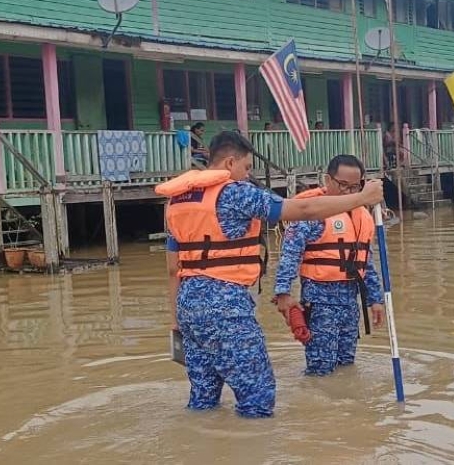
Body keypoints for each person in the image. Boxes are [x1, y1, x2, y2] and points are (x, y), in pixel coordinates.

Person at [155, 131, 384, 418]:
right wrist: (363, 197)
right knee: (258, 396)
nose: (247, 175)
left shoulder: (177, 202)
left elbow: (172, 268)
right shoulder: (235, 192)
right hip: (225, 307)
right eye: (247, 167)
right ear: (229, 162)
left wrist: (176, 320)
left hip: (188, 307)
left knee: (203, 397)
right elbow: (301, 209)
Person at [273, 155, 384, 376]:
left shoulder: (362, 216)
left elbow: (365, 261)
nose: (349, 193)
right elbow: (290, 254)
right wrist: (283, 292)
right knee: (321, 367)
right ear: (328, 180)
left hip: (350, 301)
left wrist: (375, 299)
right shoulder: (312, 212)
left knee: (347, 363)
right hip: (319, 300)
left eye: (356, 187)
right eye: (343, 185)